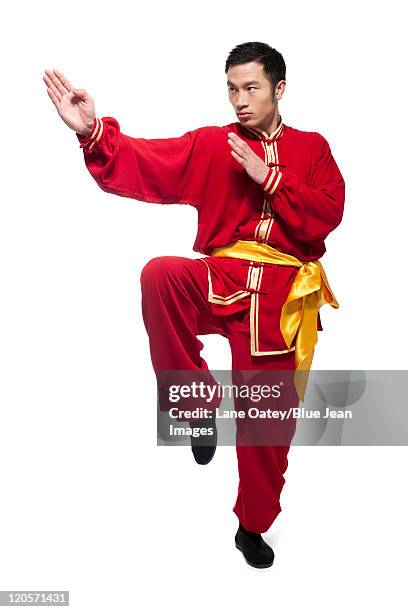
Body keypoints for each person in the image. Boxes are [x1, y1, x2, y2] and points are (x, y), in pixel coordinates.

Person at [43, 41, 345, 569]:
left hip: (279, 303)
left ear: (279, 88)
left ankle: (250, 526)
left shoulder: (314, 148)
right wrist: (92, 133)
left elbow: (327, 213)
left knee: (266, 434)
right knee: (162, 276)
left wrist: (268, 176)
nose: (240, 101)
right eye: (232, 88)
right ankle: (196, 407)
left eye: (251, 87)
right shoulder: (214, 144)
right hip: (223, 277)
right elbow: (149, 163)